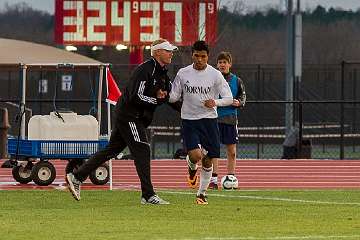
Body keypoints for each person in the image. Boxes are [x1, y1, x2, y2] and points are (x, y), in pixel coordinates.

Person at [65, 38, 178, 205]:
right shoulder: (145, 69)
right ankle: (148, 195)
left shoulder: (163, 74)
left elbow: (170, 98)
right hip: (130, 115)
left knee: (111, 150)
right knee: (143, 149)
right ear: (157, 52)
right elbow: (136, 96)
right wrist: (157, 99)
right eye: (168, 50)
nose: (171, 53)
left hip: (134, 117)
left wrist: (190, 111)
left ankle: (76, 176)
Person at [169, 41, 233, 204]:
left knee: (208, 158)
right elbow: (174, 96)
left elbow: (229, 98)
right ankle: (191, 166)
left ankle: (201, 194)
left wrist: (215, 102)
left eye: (203, 56)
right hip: (189, 120)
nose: (199, 59)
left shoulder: (215, 75)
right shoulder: (183, 73)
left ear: (207, 57)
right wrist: (165, 94)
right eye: (196, 56)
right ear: (192, 55)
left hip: (209, 121)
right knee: (196, 155)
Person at [209, 51, 246, 190]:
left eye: (225, 62)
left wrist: (239, 102)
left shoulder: (237, 80)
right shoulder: (212, 79)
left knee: (232, 151)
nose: (222, 65)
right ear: (217, 64)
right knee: (213, 149)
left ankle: (231, 177)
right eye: (220, 62)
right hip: (213, 118)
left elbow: (243, 97)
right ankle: (213, 180)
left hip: (230, 119)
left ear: (229, 64)